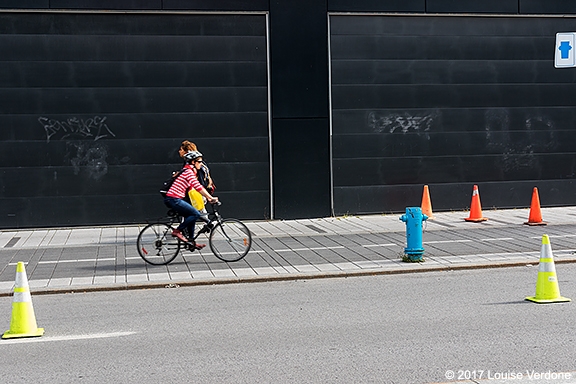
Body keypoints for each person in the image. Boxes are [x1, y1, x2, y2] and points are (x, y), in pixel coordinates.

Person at [164, 150, 218, 248]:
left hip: (175, 199)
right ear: (193, 162)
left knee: (192, 215)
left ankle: (191, 242)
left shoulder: (188, 171)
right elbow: (198, 186)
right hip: (174, 199)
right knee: (196, 214)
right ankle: (177, 231)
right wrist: (210, 198)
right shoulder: (188, 172)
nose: (201, 164)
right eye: (200, 162)